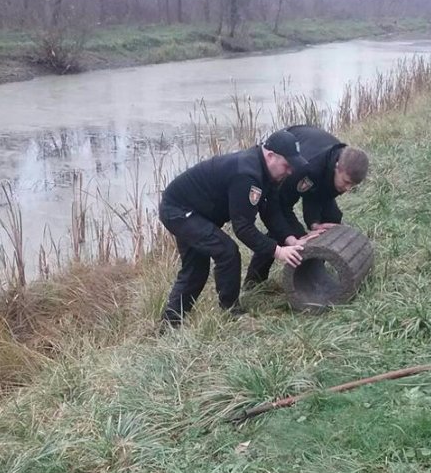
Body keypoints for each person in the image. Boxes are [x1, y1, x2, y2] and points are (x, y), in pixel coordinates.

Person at [158, 130, 309, 327]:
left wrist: (291, 240)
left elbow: (271, 211)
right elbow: (243, 228)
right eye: (287, 165)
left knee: (195, 270)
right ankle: (231, 312)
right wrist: (278, 251)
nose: (289, 172)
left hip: (197, 211)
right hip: (178, 210)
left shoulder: (266, 173)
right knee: (226, 252)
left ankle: (169, 325)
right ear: (271, 156)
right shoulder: (247, 175)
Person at [244, 125, 369, 286]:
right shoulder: (305, 169)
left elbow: (318, 194)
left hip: (317, 164)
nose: (347, 189)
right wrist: (294, 235)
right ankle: (254, 280)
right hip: (293, 149)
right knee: (287, 233)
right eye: (346, 182)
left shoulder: (346, 161)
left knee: (333, 218)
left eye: (353, 185)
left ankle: (314, 272)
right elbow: (281, 206)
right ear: (337, 166)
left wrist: (314, 222)